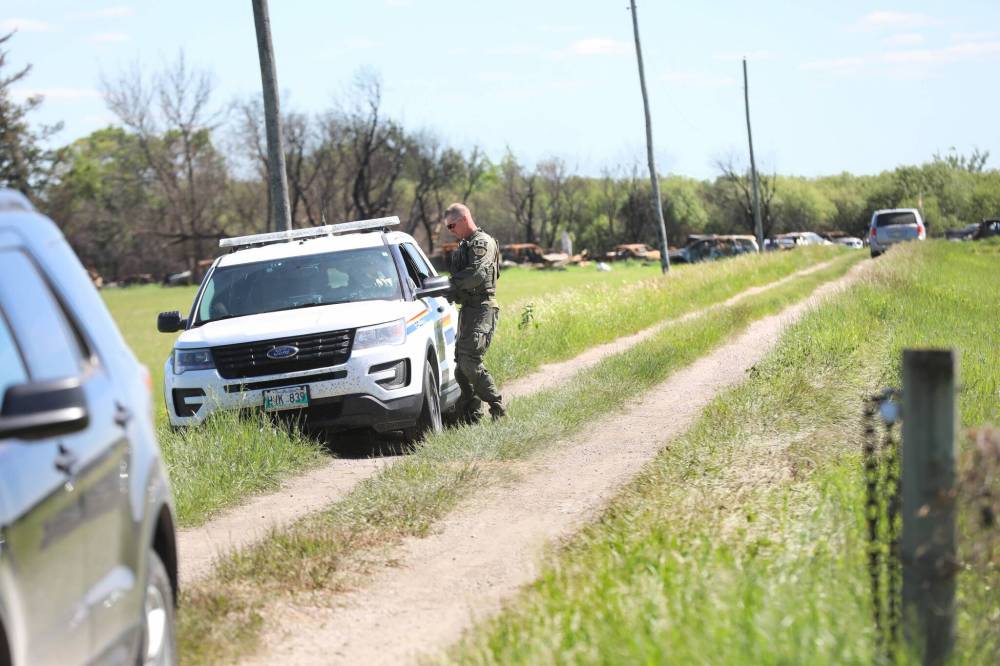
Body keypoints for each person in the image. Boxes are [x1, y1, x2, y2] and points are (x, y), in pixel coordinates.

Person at [444, 203, 505, 421]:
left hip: (482, 308)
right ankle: (471, 414)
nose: (450, 231)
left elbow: (477, 275)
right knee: (461, 367)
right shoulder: (465, 245)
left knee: (469, 362)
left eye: (452, 226)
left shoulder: (482, 243)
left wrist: (450, 285)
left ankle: (497, 407)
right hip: (468, 309)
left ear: (463, 220)